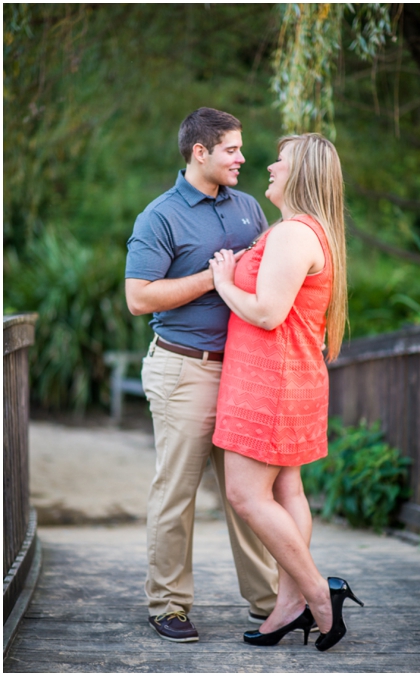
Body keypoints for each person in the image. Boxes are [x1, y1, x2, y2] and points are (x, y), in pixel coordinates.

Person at [125, 107, 279, 643]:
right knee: (177, 493)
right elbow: (139, 298)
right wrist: (212, 280)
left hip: (241, 371)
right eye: (233, 149)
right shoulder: (159, 217)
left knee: (248, 493)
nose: (243, 158)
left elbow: (262, 278)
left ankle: (269, 603)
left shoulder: (249, 207)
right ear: (200, 152)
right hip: (183, 370)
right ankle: (168, 605)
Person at [207, 132, 362, 652]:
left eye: (283, 160)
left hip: (273, 381)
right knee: (286, 491)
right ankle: (287, 607)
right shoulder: (301, 230)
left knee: (245, 495)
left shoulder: (295, 234)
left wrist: (225, 282)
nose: (271, 166)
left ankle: (319, 596)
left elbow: (268, 313)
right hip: (284, 377)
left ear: (304, 175)